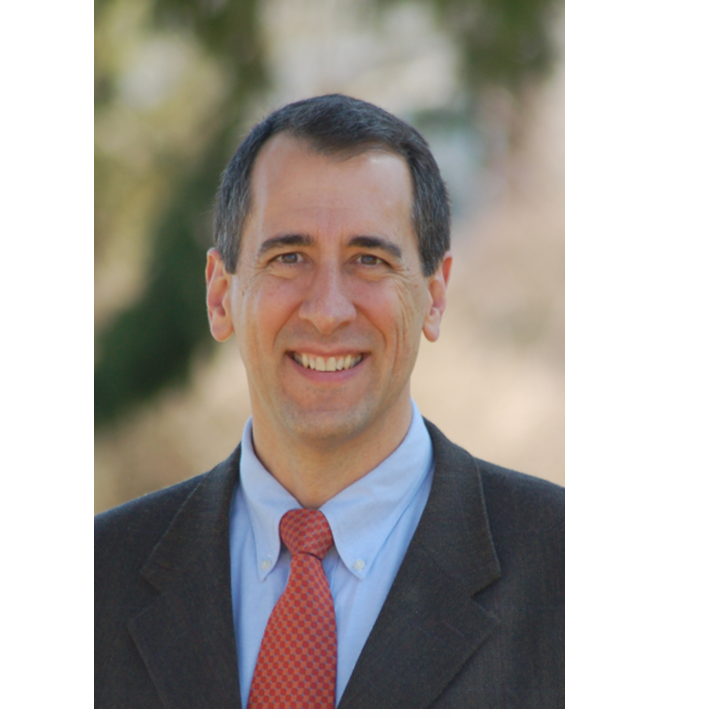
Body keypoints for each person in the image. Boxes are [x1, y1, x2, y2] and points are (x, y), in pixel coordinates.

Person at [94, 94, 565, 709]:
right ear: (219, 295)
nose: (327, 311)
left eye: (369, 260)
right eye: (289, 258)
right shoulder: (105, 576)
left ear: (435, 296)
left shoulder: (553, 568)